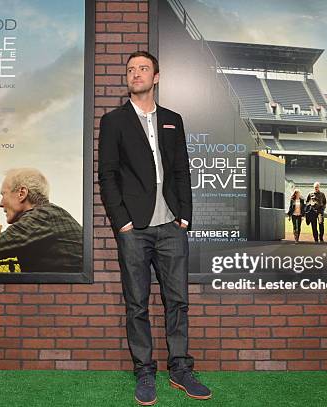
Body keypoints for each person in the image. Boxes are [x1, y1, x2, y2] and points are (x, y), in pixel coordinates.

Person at [98, 51, 211, 405]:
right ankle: (144, 372)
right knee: (137, 304)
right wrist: (123, 223)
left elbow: (182, 170)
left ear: (156, 77)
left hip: (172, 226)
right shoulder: (113, 120)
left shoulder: (173, 120)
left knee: (177, 301)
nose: (135, 73)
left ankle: (180, 369)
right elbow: (108, 175)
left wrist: (185, 217)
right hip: (135, 229)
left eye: (143, 68)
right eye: (130, 69)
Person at [0, 168, 82, 273]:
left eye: (3, 194)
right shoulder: (52, 214)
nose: (1, 203)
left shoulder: (40, 217)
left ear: (22, 194)